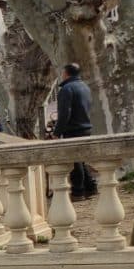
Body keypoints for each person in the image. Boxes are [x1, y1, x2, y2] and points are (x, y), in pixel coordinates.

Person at [54, 62, 98, 200]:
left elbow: (64, 113)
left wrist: (57, 132)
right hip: (86, 127)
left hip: (73, 129)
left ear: (66, 73)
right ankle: (90, 187)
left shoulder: (66, 89)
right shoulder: (85, 87)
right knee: (81, 160)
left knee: (75, 162)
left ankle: (78, 191)